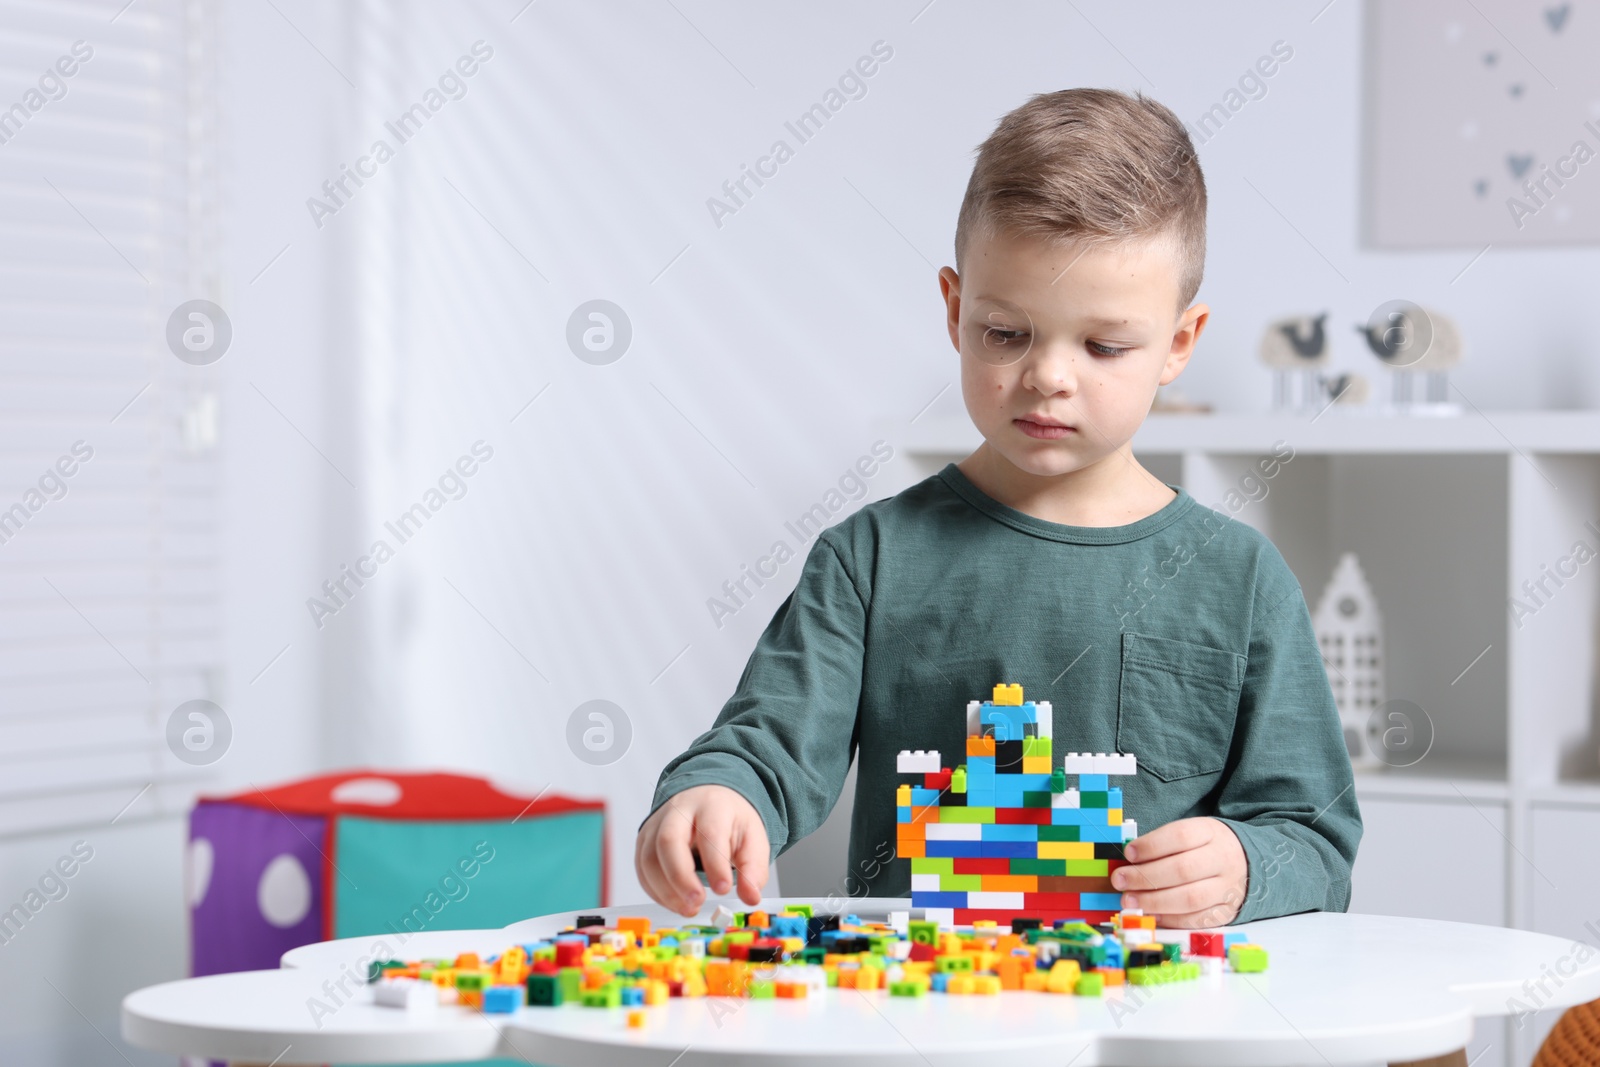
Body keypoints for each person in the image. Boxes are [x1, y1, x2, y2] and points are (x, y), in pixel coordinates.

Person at [634, 87, 1361, 928]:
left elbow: (1315, 835)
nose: (1049, 375)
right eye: (1006, 333)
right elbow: (768, 746)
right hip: (932, 1020)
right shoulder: (869, 559)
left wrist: (1244, 864)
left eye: (1104, 345)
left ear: (1180, 344)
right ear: (954, 309)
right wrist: (714, 796)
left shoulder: (1242, 578)